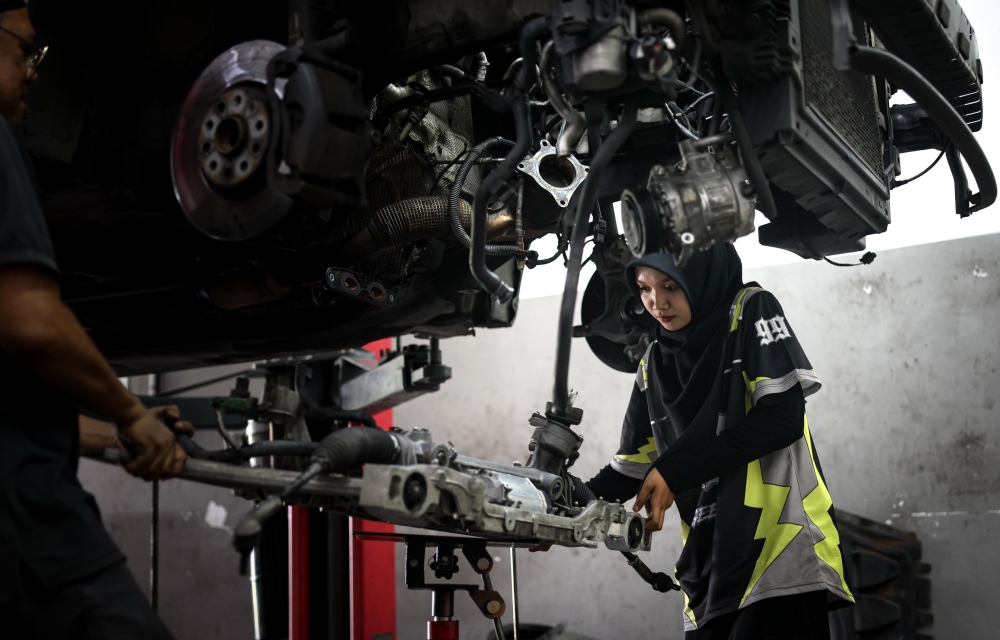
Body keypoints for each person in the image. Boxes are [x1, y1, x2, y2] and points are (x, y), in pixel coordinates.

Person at [0, 3, 193, 638]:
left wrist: (116, 431)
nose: (34, 74)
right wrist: (129, 411)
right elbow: (28, 320)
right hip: (26, 530)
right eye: (26, 52)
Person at [582, 243, 853, 638]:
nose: (657, 302)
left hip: (780, 554)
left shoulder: (750, 309)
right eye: (644, 289)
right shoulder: (653, 361)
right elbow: (631, 472)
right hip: (709, 571)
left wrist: (675, 471)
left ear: (701, 277)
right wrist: (559, 509)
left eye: (670, 285)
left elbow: (783, 419)